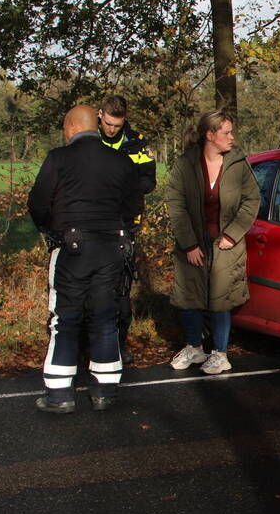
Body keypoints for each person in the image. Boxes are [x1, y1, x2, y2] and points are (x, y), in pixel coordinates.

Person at [27, 105, 141, 413]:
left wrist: (52, 231)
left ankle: (59, 395)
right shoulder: (121, 161)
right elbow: (134, 206)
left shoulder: (59, 158)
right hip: (111, 249)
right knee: (105, 317)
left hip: (72, 248)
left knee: (65, 318)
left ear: (72, 128)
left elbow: (38, 203)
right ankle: (104, 391)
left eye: (65, 129)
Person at [164, 109, 258, 374]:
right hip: (193, 240)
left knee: (221, 298)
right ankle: (194, 347)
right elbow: (176, 204)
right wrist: (189, 244)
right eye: (226, 132)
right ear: (210, 134)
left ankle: (220, 353)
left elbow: (252, 200)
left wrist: (232, 234)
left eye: (231, 132)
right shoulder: (185, 164)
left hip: (226, 242)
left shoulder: (238, 163)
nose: (232, 137)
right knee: (189, 295)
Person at [98, 94, 156, 363]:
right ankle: (89, 345)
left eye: (117, 126)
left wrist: (124, 186)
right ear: (100, 115)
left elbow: (149, 182)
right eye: (108, 124)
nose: (112, 130)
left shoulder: (137, 144)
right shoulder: (89, 139)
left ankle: (119, 345)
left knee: (121, 288)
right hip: (94, 224)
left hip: (125, 225)